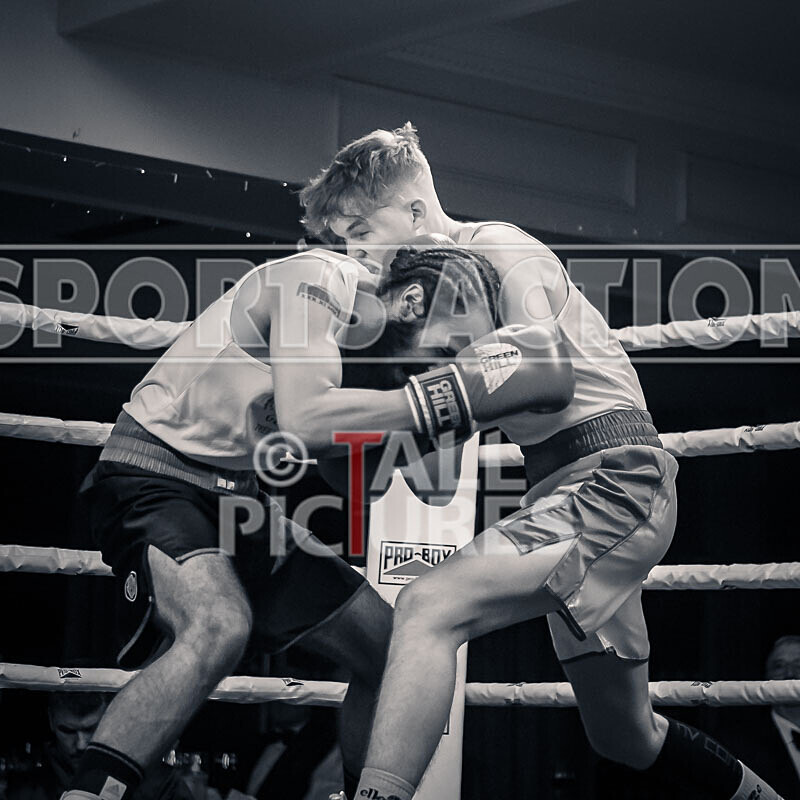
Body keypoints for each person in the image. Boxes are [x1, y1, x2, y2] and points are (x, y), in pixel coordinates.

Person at [299, 123, 784, 799]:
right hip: (567, 499)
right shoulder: (429, 309)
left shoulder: (495, 245)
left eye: (358, 232)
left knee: (428, 605)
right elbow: (416, 470)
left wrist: (404, 401)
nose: (355, 255)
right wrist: (337, 436)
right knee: (623, 734)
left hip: (615, 479)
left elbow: (542, 361)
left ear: (412, 212)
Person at [65, 242, 548, 800]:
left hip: (239, 500)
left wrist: (466, 406)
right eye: (452, 346)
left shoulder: (382, 369)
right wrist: (448, 399)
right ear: (413, 302)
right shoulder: (317, 282)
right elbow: (302, 422)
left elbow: (387, 485)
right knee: (219, 625)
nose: (446, 365)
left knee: (392, 649)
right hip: (155, 473)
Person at [6, 692, 191, 800]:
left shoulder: (159, 781)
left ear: (110, 718)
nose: (80, 744)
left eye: (91, 729)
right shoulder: (26, 787)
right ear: (51, 720)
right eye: (67, 731)